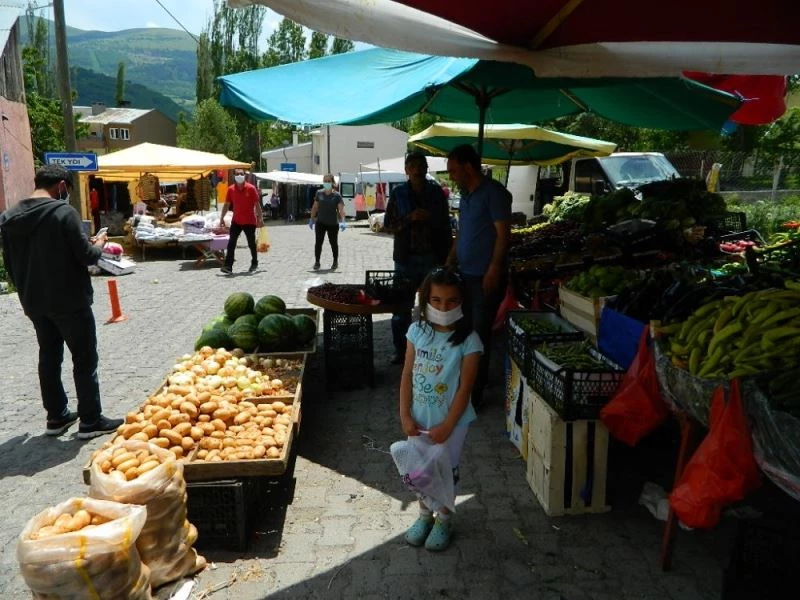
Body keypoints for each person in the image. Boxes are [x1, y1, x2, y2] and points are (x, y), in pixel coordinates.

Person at [0, 165, 124, 439]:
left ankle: (56, 417)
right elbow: (88, 256)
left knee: (49, 356)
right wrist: (100, 243)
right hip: (70, 300)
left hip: (34, 301)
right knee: (84, 358)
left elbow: (10, 265)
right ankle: (90, 420)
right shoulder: (62, 212)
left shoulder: (8, 218)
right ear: (61, 186)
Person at [399, 267, 482, 551]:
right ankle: (424, 515)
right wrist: (405, 414)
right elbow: (407, 374)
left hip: (453, 424)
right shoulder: (416, 331)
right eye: (436, 300)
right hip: (419, 420)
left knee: (446, 470)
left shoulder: (469, 341)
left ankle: (444, 518)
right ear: (425, 301)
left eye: (451, 301)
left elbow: (464, 389)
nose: (443, 307)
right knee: (419, 470)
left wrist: (448, 425)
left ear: (463, 303)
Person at [445, 144, 511, 409]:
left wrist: (494, 268)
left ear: (468, 167)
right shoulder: (466, 195)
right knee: (464, 331)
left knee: (479, 336)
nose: (451, 176)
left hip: (484, 277)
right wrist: (450, 260)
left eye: (453, 170)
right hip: (464, 276)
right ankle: (464, 385)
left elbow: (504, 235)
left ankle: (473, 394)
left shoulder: (494, 194)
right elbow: (462, 232)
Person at [384, 151, 452, 364]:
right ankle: (401, 351)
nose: (417, 169)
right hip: (405, 259)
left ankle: (431, 349)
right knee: (401, 309)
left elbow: (445, 224)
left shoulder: (436, 193)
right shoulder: (398, 194)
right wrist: (409, 218)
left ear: (426, 168)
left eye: (421, 165)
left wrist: (430, 219)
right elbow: (388, 224)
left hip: (433, 257)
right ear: (406, 170)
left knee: (433, 307)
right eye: (412, 166)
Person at [220, 169, 263, 274]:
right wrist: (221, 218)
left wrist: (260, 218)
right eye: (237, 174)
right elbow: (226, 205)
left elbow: (257, 205)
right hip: (236, 221)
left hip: (249, 221)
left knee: (251, 243)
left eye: (241, 174)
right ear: (234, 176)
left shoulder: (251, 188)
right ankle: (228, 266)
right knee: (231, 243)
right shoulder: (231, 189)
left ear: (245, 176)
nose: (239, 175)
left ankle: (254, 262)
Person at [309, 173, 346, 270]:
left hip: (333, 224)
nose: (327, 183)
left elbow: (341, 210)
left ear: (333, 182)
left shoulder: (337, 195)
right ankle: (317, 262)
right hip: (320, 222)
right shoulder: (319, 193)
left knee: (333, 243)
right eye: (325, 181)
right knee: (318, 242)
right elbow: (315, 207)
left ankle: (335, 262)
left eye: (329, 181)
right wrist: (312, 218)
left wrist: (343, 221)